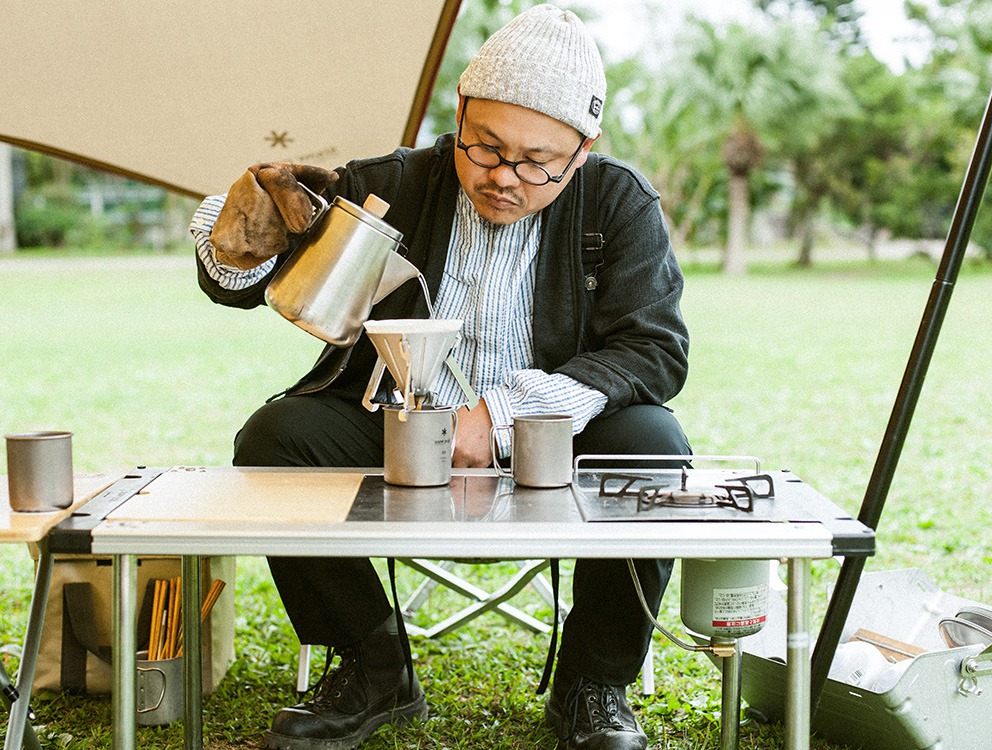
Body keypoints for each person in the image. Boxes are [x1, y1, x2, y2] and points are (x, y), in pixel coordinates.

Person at [191, 5, 691, 749]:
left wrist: (500, 412)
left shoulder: (617, 202)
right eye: (484, 147)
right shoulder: (388, 182)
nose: (503, 177)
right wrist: (238, 236)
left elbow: (655, 350)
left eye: (536, 162)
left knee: (653, 444)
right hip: (394, 422)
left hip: (551, 435)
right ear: (459, 112)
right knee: (275, 438)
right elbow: (234, 284)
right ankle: (372, 664)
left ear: (582, 150)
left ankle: (594, 683)